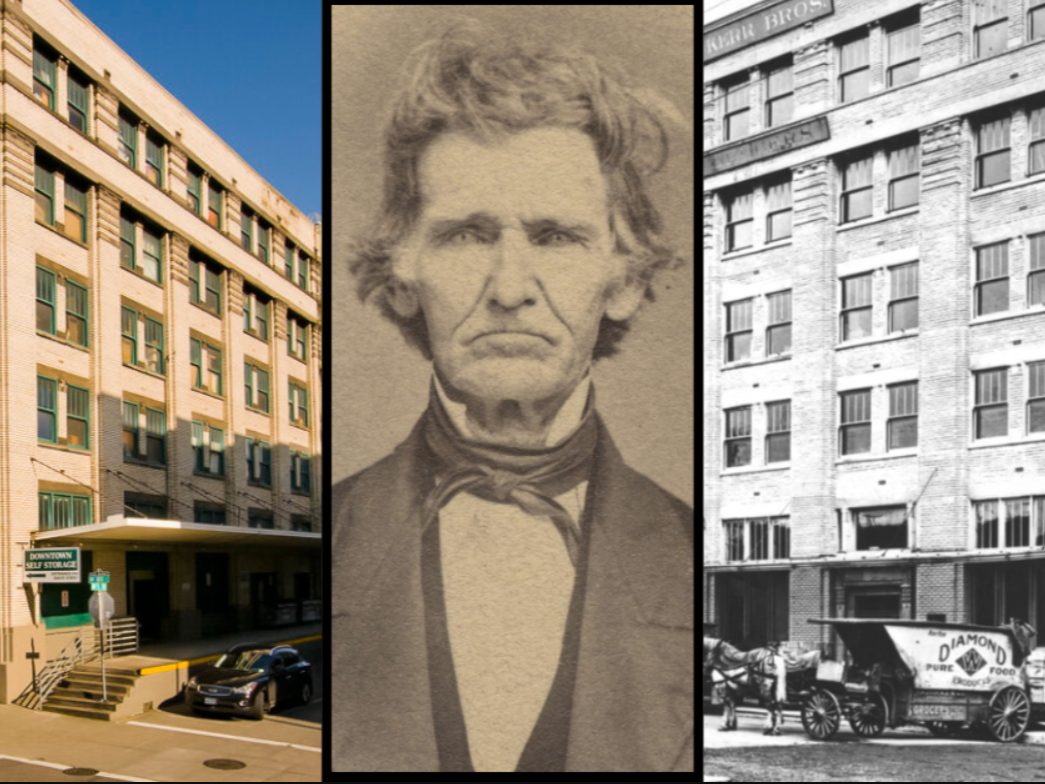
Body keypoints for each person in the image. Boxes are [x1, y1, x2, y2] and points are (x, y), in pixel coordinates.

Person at [331, 24, 693, 773]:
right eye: (466, 235)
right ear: (403, 272)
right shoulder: (328, 535)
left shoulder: (693, 552)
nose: (509, 289)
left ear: (622, 278)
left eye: (556, 237)